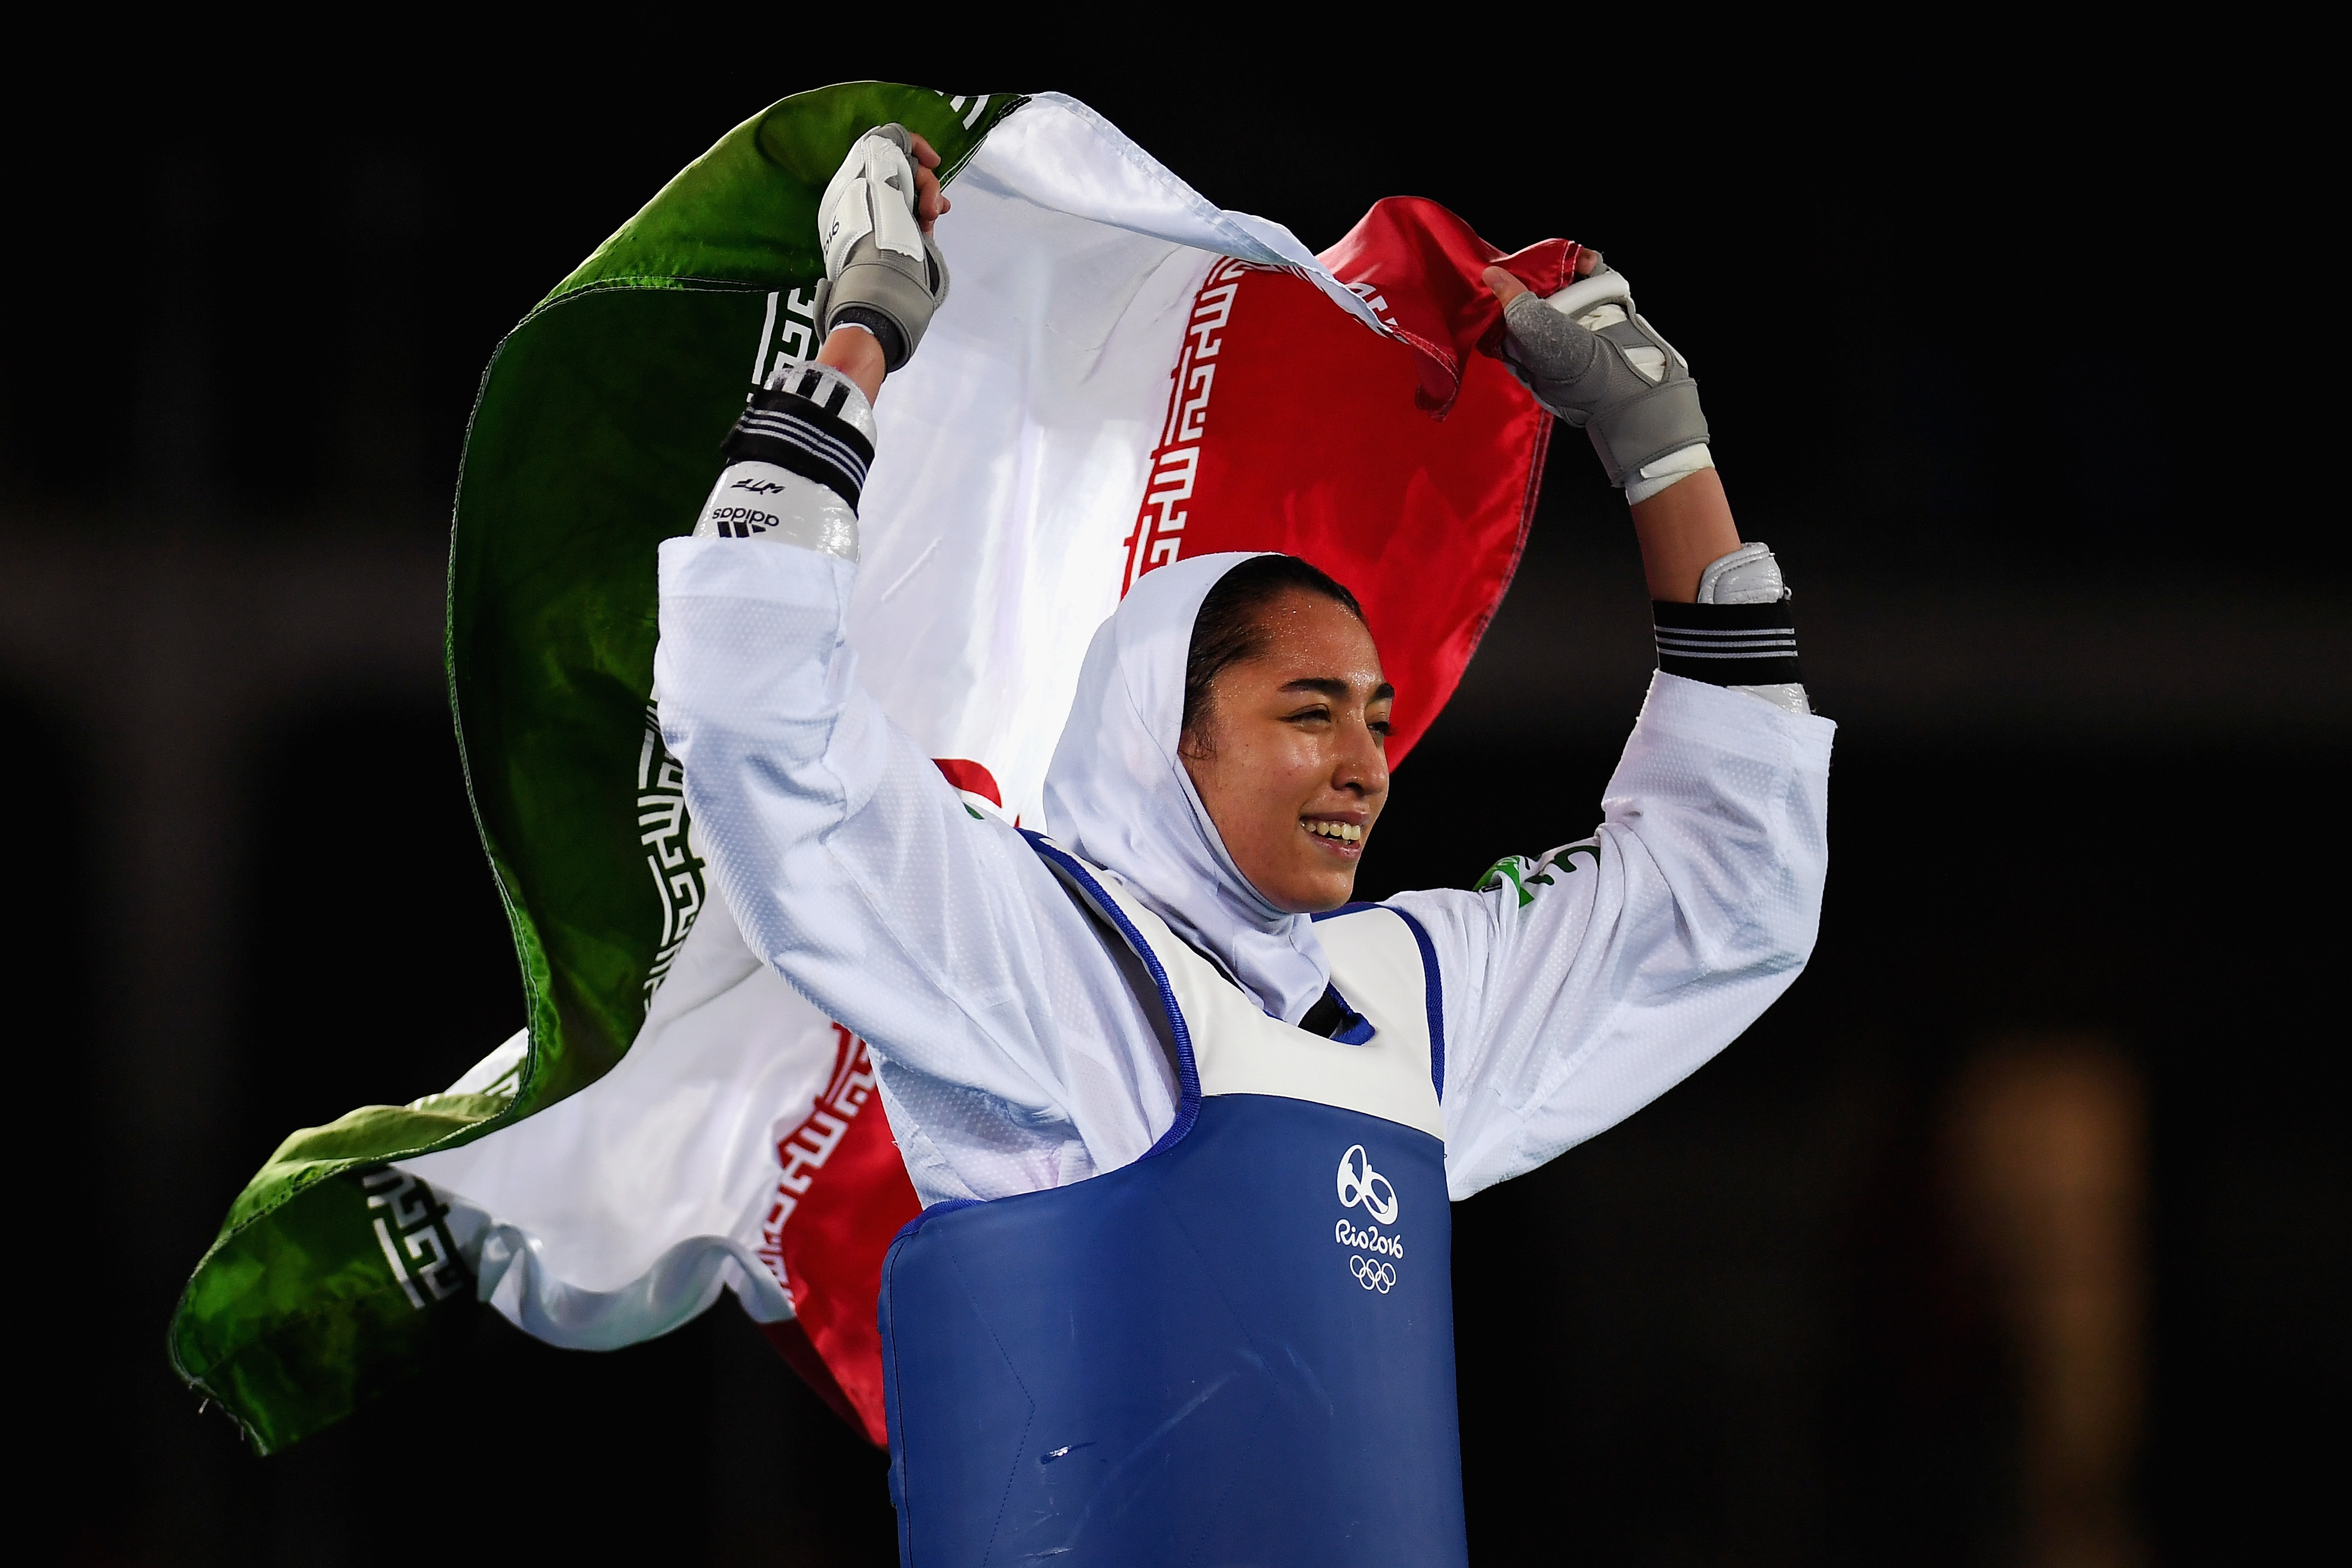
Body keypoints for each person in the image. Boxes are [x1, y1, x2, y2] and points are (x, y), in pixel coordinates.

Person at [656, 125, 1834, 1566]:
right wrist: (866, 326)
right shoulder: (1036, 955)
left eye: (1377, 717)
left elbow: (1727, 895)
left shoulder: (1400, 1005)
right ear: (1171, 727)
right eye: (1307, 712)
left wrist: (1663, 451)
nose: (1364, 763)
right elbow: (749, 712)